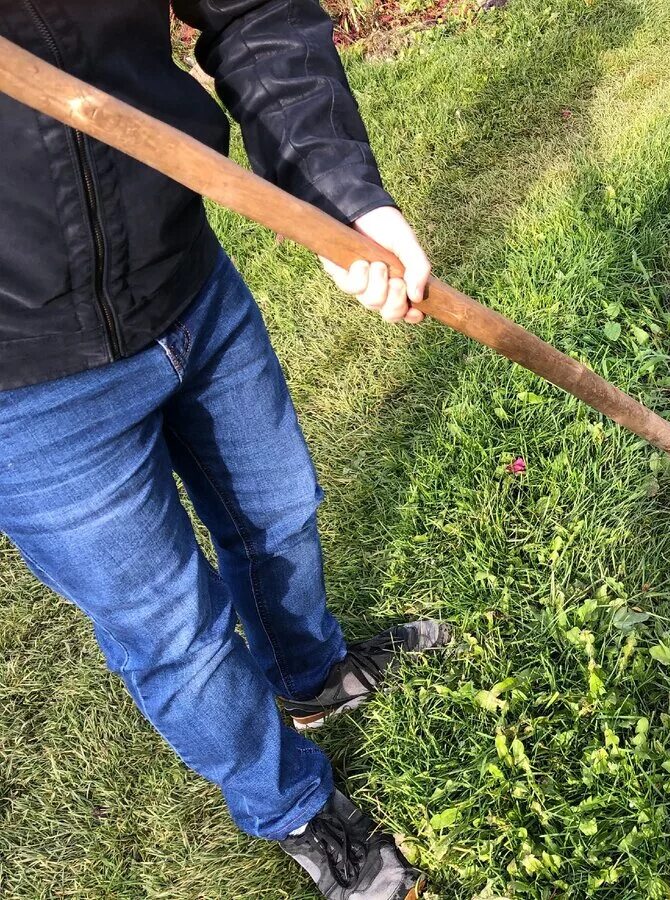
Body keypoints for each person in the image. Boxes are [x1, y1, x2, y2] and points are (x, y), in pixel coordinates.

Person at [0, 2, 444, 897]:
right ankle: (293, 808)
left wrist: (342, 193)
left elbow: (254, 10)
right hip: (22, 382)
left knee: (278, 511)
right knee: (176, 636)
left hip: (185, 284)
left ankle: (311, 676)